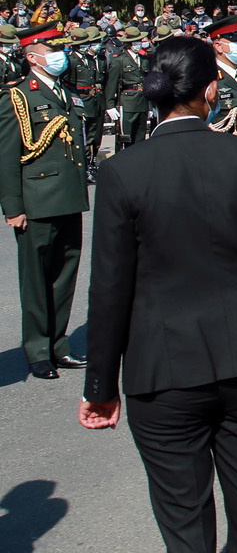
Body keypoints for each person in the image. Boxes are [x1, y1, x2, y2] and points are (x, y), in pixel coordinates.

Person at [79, 36, 237, 553]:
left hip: (164, 370)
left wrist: (101, 384)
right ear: (211, 89)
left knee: (184, 515)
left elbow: (110, 288)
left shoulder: (123, 171)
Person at [1, 22, 90, 380]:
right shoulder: (18, 98)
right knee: (37, 279)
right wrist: (13, 208)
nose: (61, 56)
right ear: (33, 57)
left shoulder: (65, 93)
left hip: (69, 198)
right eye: (53, 51)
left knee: (65, 275)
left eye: (61, 49)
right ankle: (37, 349)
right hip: (37, 201)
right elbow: (7, 156)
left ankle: (59, 344)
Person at [66, 26, 108, 180]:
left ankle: (91, 163)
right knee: (84, 137)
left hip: (95, 100)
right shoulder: (71, 60)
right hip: (82, 101)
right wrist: (75, 106)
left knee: (95, 135)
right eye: (82, 44)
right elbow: (69, 85)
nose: (86, 46)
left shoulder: (90, 60)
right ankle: (84, 166)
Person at [105, 26, 152, 150]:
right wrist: (109, 105)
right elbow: (112, 85)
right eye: (136, 42)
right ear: (129, 44)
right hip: (128, 103)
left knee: (140, 138)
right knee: (125, 138)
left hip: (142, 102)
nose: (139, 45)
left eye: (140, 42)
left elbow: (148, 83)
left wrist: (151, 106)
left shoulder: (144, 60)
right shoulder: (120, 60)